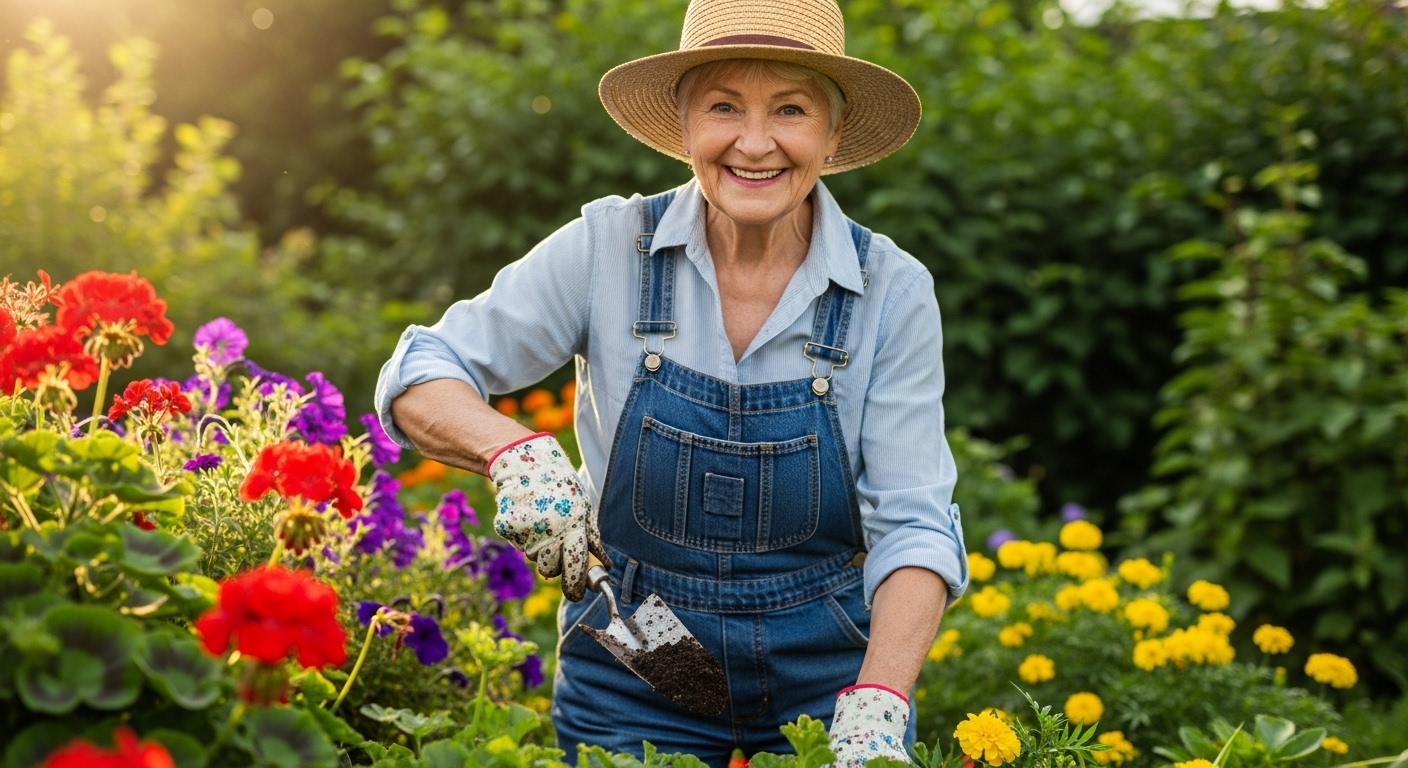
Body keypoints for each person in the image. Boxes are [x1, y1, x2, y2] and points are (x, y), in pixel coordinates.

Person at [374, 0, 969, 763]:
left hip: (831, 681)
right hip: (635, 667)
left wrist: (880, 701)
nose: (755, 142)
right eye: (724, 107)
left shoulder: (891, 291)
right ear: (683, 124)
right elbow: (421, 369)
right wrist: (511, 452)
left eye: (790, 109)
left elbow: (915, 526)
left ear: (833, 132)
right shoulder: (607, 248)